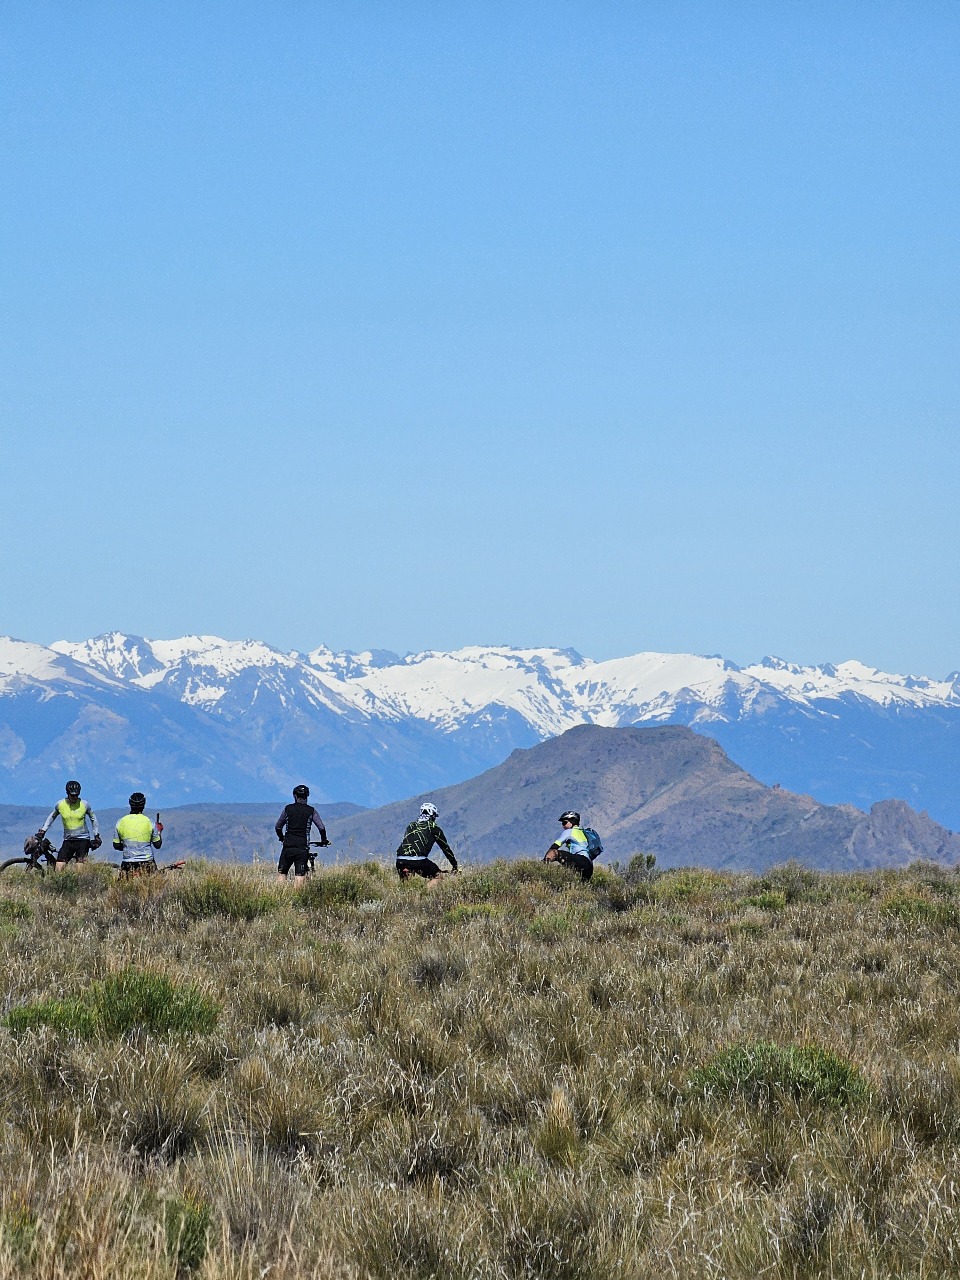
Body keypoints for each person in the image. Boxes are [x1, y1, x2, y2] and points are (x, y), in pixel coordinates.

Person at [37, 780, 102, 871]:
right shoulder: (60, 804)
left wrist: (96, 834)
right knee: (59, 867)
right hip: (68, 840)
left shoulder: (84, 804)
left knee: (79, 869)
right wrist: (43, 830)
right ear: (67, 793)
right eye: (72, 795)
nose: (75, 797)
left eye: (76, 795)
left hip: (83, 840)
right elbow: (52, 817)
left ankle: (81, 884)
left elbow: (93, 818)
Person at [275, 784, 329, 883]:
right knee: (300, 874)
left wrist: (281, 837)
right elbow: (321, 827)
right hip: (302, 846)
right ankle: (298, 896)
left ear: (295, 796)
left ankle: (278, 895)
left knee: (282, 872)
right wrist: (324, 840)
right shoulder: (311, 811)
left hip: (288, 845)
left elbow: (278, 827)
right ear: (307, 796)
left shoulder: (288, 809)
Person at [395, 802, 458, 880]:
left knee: (406, 885)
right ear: (432, 815)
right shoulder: (433, 827)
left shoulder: (411, 826)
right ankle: (425, 892)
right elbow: (445, 848)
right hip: (418, 860)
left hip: (400, 859)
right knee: (438, 876)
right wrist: (454, 865)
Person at [113, 792, 163, 875]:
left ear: (130, 804)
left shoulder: (120, 822)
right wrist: (159, 831)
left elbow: (116, 845)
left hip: (128, 863)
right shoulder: (150, 822)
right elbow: (157, 845)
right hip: (147, 862)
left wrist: (129, 847)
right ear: (144, 805)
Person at [544, 810, 594, 882]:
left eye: (564, 823)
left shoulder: (569, 831)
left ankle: (541, 870)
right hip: (589, 866)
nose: (563, 826)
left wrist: (545, 860)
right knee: (578, 886)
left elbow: (555, 845)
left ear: (572, 822)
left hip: (580, 860)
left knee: (553, 853)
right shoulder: (583, 832)